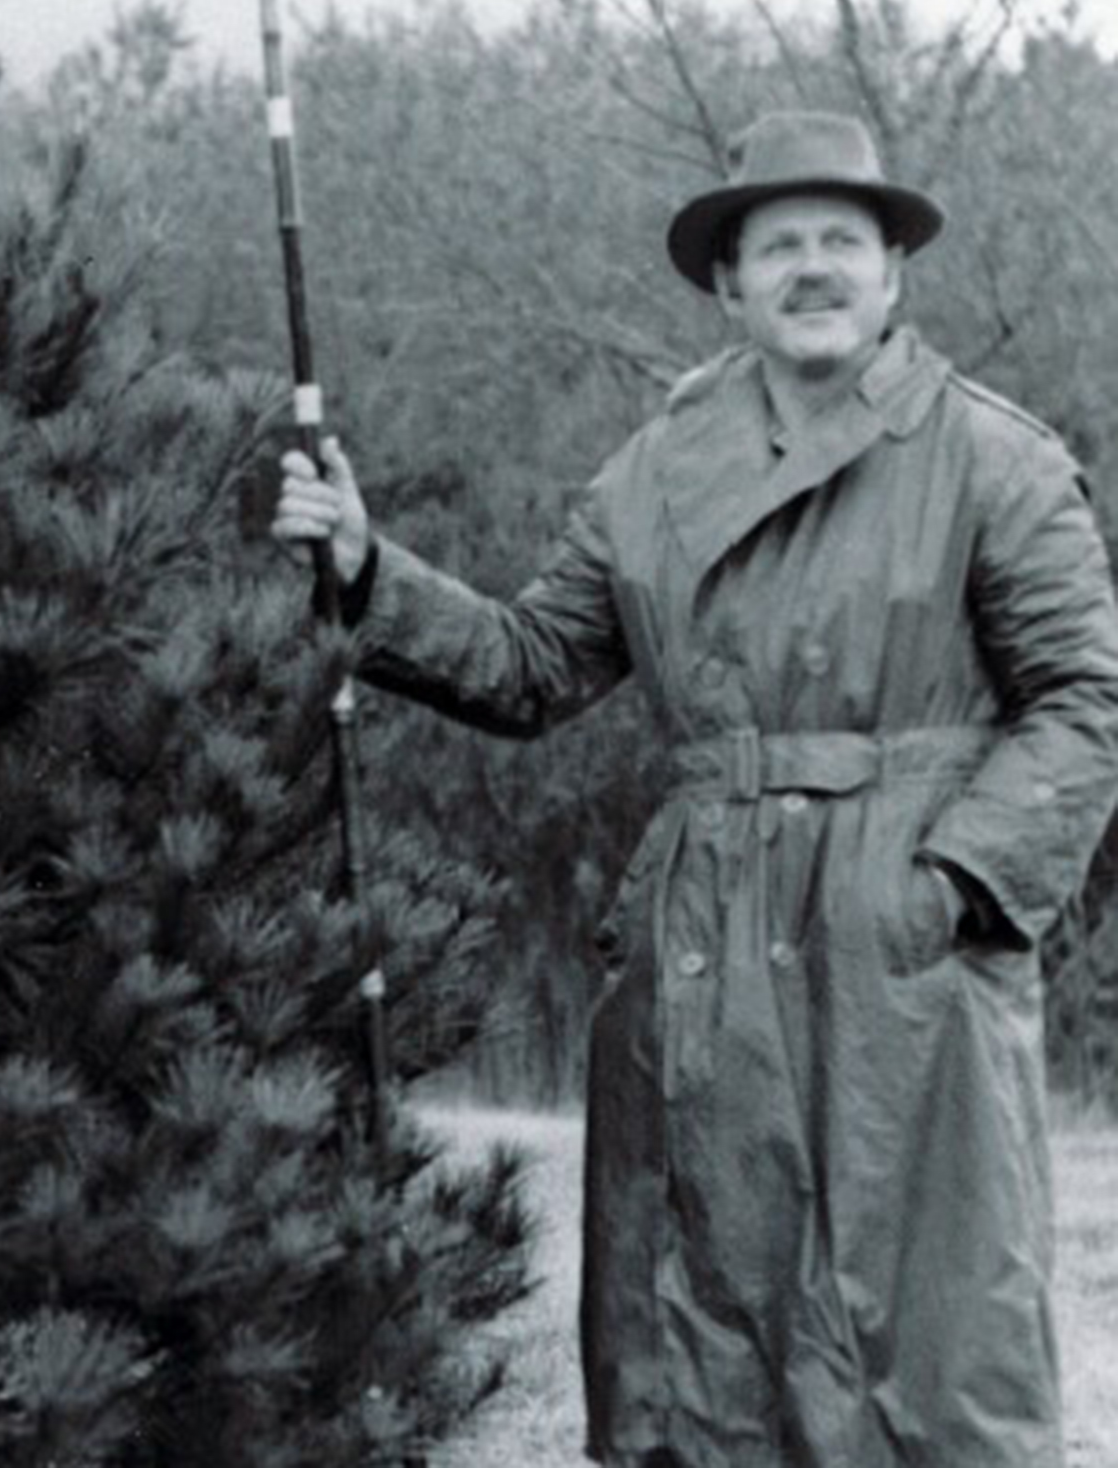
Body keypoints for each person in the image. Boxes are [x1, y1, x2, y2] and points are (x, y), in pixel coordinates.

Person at [273, 110, 1118, 1468]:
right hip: (701, 949)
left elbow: (1086, 705)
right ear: (730, 283)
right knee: (698, 1352)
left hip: (908, 968)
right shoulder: (655, 472)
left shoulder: (993, 461)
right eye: (777, 244)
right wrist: (373, 571)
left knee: (931, 1350)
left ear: (896, 272)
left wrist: (948, 888)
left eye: (843, 239)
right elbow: (531, 665)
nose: (813, 268)